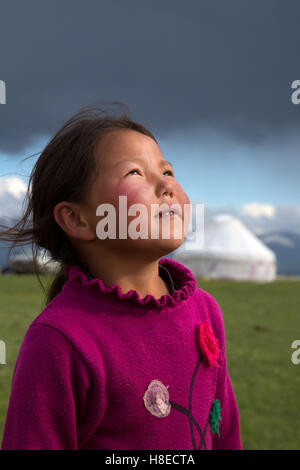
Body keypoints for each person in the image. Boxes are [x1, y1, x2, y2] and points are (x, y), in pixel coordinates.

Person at [0, 102, 242, 450]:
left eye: (168, 171)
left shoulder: (205, 311)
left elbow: (225, 432)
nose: (166, 185)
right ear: (78, 220)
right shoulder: (60, 340)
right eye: (135, 173)